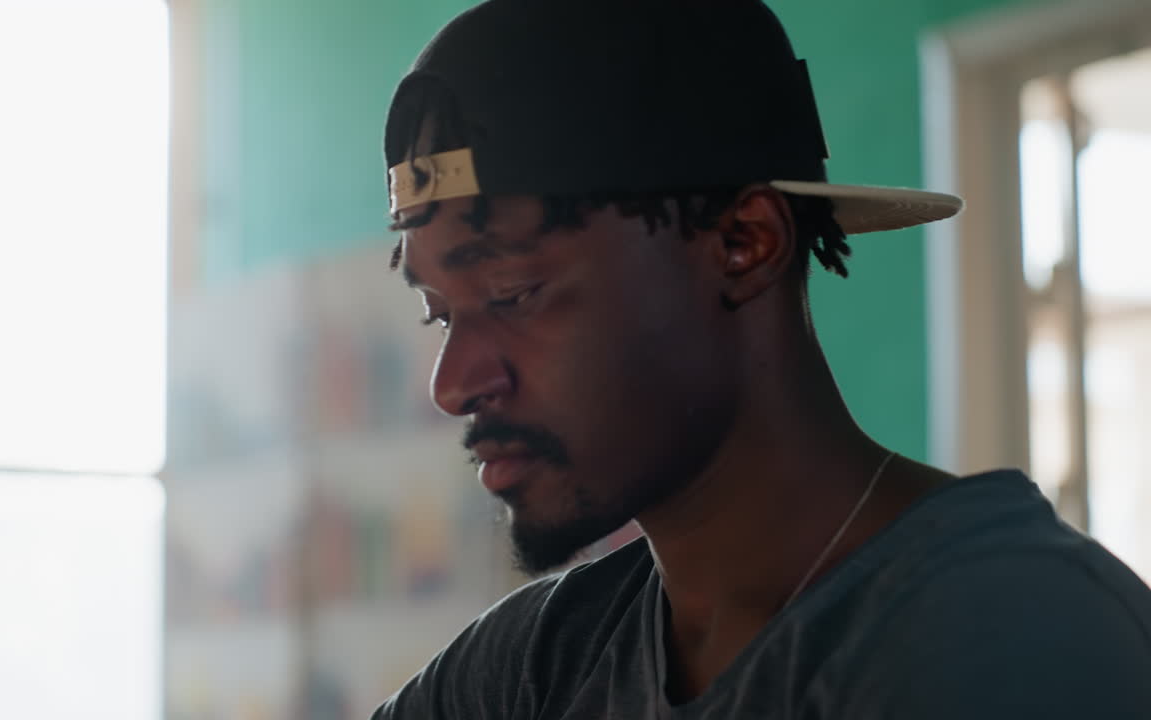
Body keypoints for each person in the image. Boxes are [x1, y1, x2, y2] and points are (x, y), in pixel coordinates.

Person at [371, 0, 1151, 717]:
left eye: (511, 294)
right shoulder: (540, 667)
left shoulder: (1009, 643)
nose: (453, 384)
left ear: (744, 244)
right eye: (439, 314)